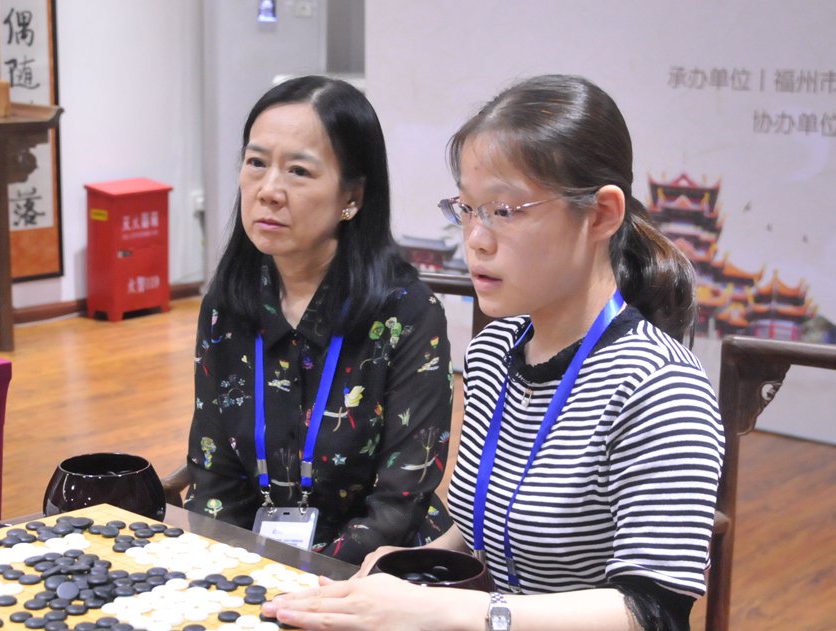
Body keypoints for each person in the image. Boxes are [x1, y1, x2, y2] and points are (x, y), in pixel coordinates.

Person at [261, 74, 725, 631]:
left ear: (601, 214)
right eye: (466, 207)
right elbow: (488, 529)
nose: (474, 238)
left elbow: (650, 611)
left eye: (503, 211)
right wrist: (409, 563)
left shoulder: (662, 386)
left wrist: (456, 610)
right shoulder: (493, 354)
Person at [183, 75, 454, 565]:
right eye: (256, 163)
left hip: (374, 573)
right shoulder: (228, 305)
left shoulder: (407, 315)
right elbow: (213, 477)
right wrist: (235, 572)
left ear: (352, 196)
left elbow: (398, 503)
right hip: (249, 566)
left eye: (299, 172)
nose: (268, 190)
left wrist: (303, 581)